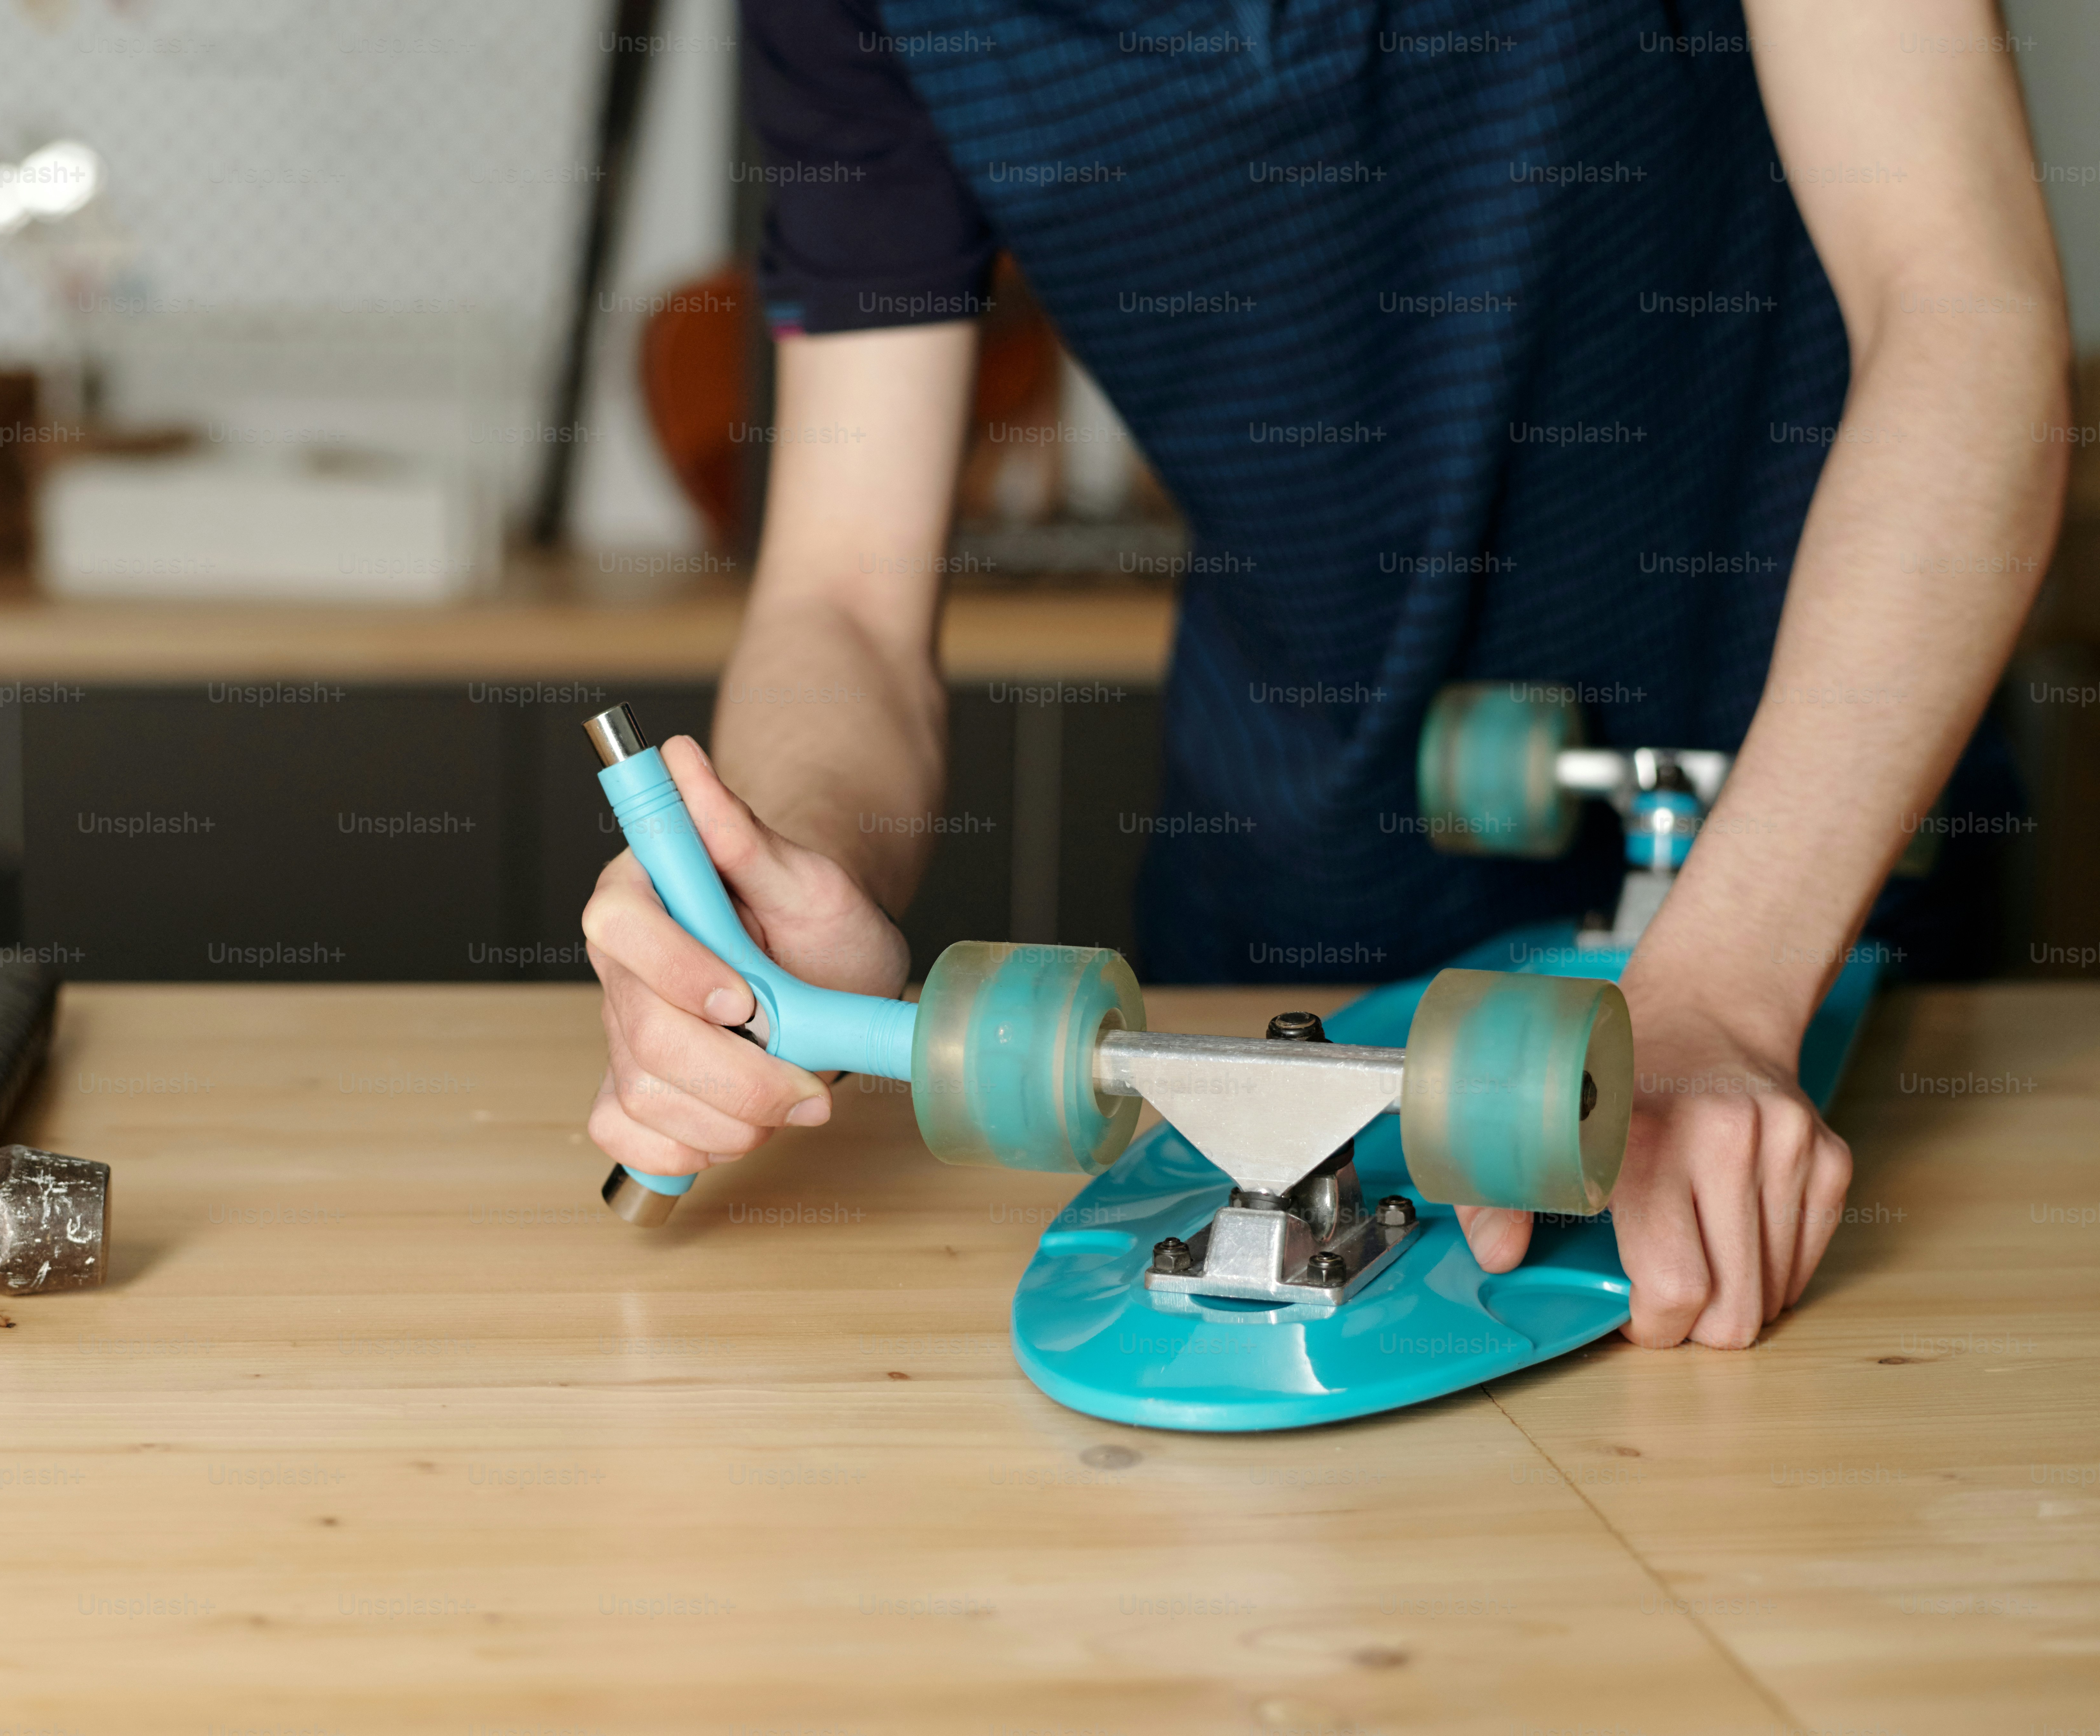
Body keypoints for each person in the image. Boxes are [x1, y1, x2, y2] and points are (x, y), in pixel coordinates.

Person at [582, 0, 2071, 1349]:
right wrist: (786, 873)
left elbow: (1964, 311)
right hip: (1290, 911)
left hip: (1806, 925)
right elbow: (843, 593)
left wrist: (1736, 983)